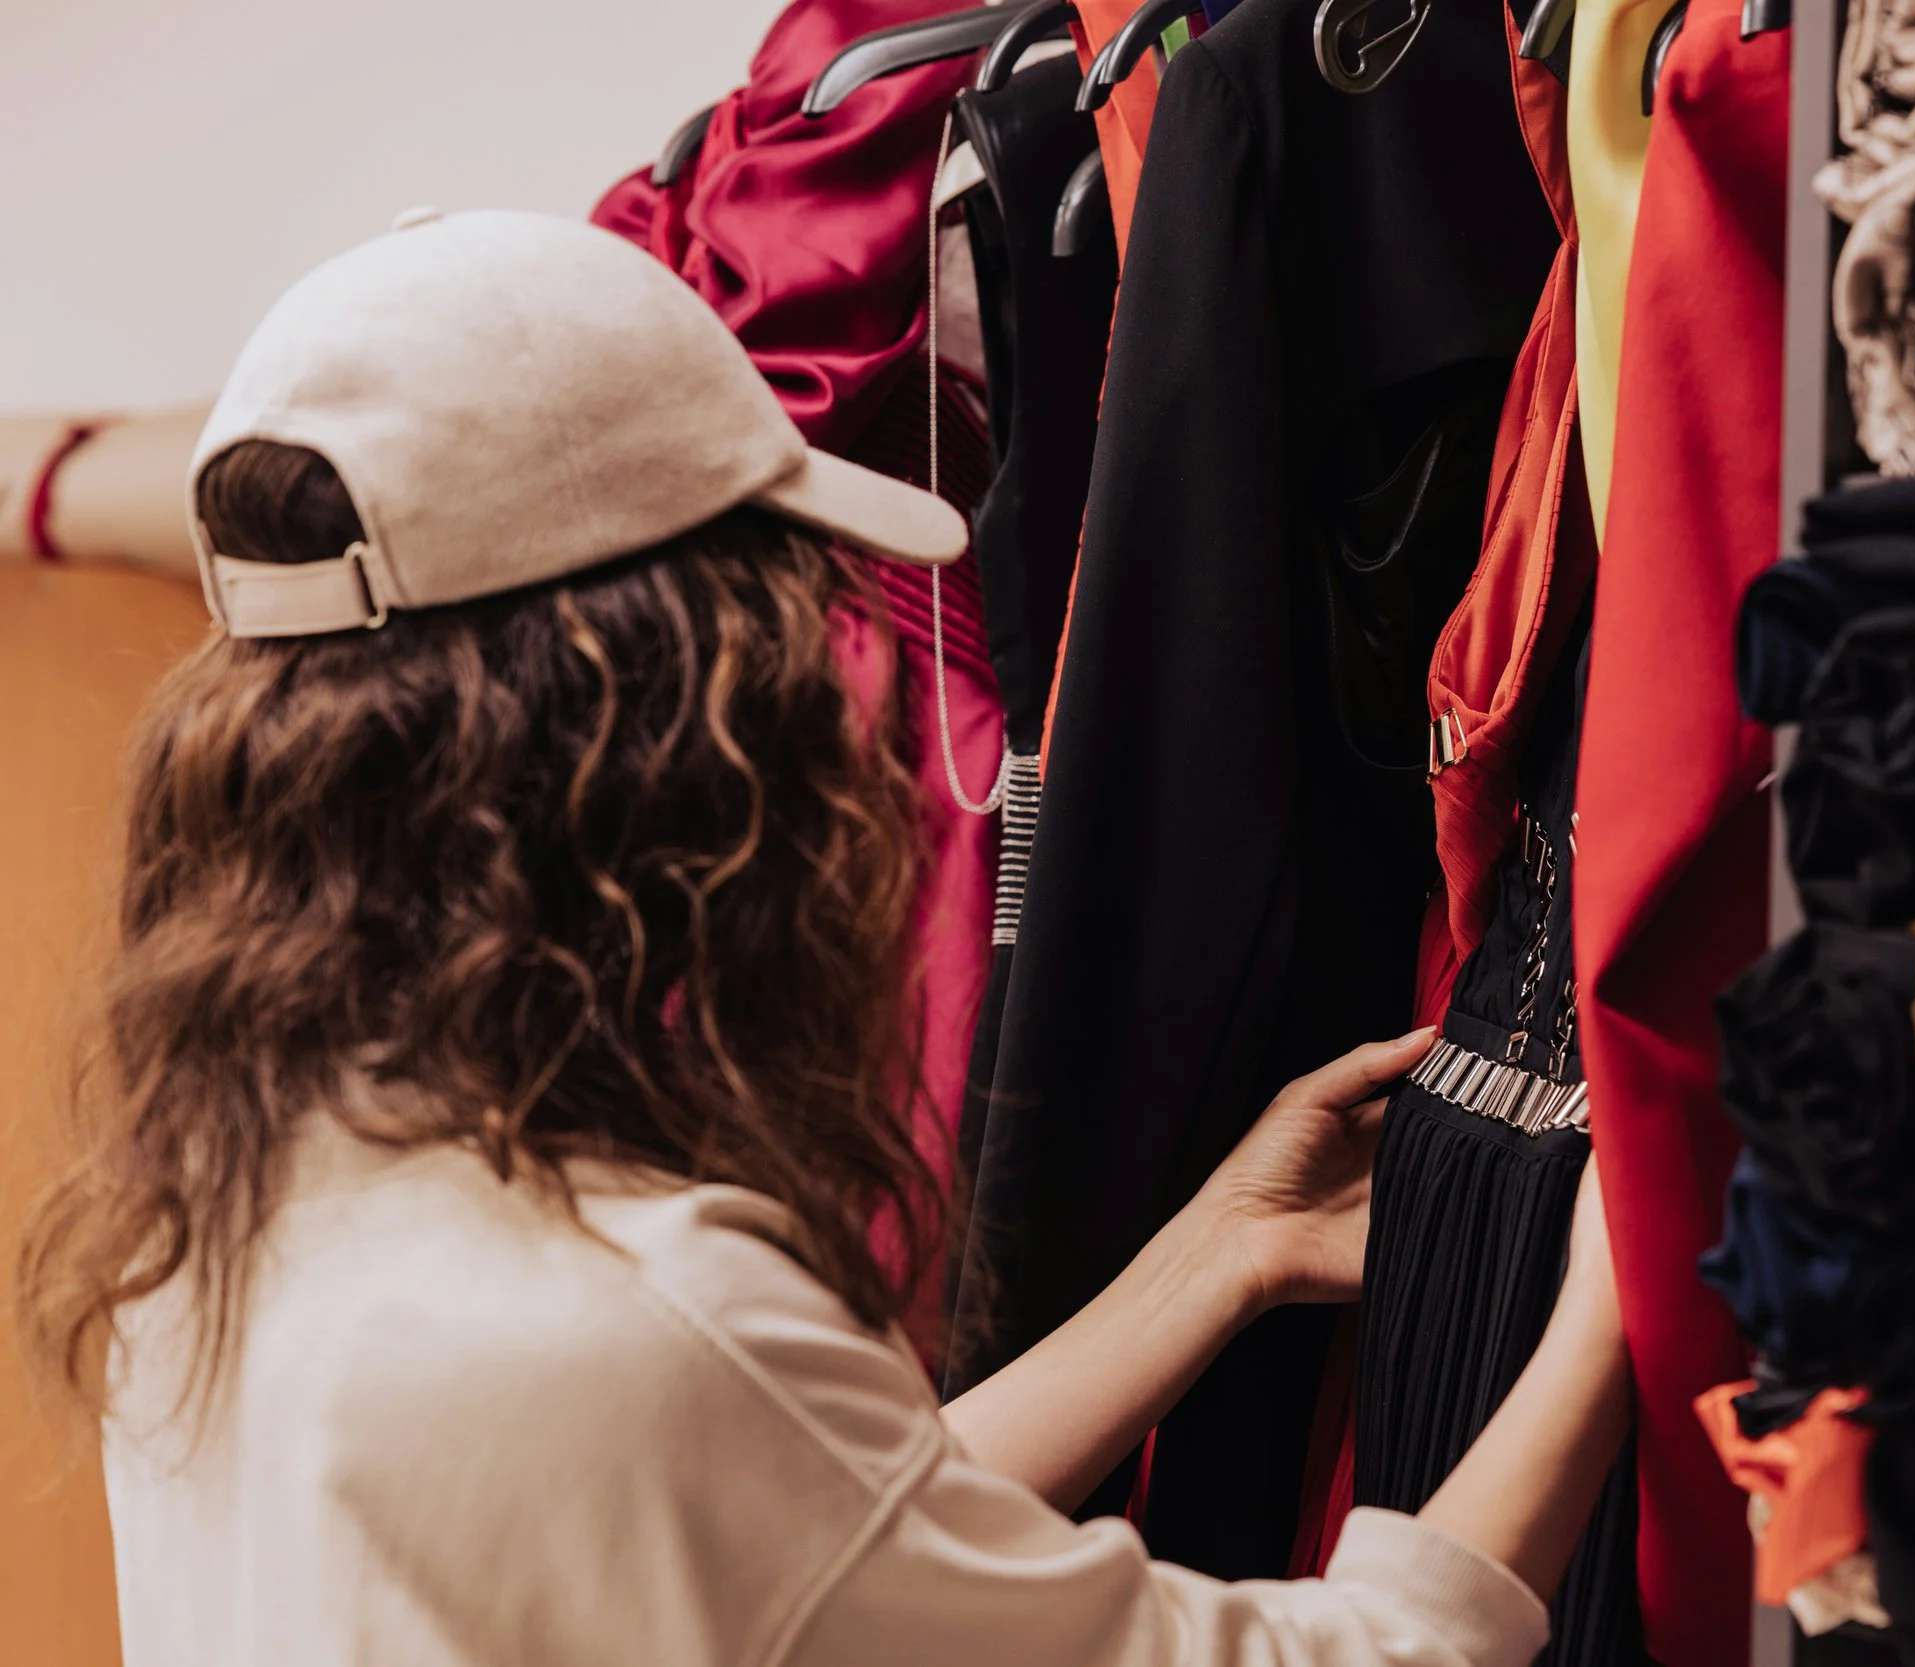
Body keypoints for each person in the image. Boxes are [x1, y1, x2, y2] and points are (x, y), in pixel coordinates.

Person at [16, 210, 1634, 1667]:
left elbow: (798, 1545)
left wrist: (1218, 1252)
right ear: (678, 726)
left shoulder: (230, 1217)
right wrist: (1612, 1297)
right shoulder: (621, 1319)